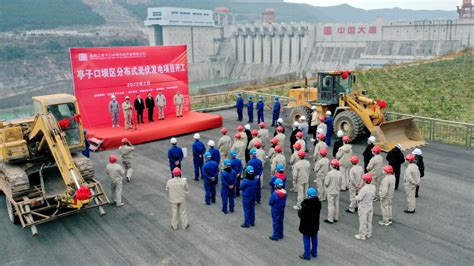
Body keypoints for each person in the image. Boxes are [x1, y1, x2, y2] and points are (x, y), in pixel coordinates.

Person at [298, 187, 321, 260]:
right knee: (314, 238)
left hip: (306, 226)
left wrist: (299, 211)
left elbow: (301, 215)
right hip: (315, 225)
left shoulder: (305, 205)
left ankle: (306, 255)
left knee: (306, 239)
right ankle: (314, 252)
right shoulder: (318, 203)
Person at [354, 173, 376, 240]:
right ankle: (368, 233)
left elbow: (359, 198)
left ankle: (362, 235)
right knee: (369, 221)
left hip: (363, 207)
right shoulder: (373, 187)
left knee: (363, 222)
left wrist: (355, 196)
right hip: (370, 205)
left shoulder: (364, 189)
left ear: (364, 180)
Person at [324, 159, 342, 224]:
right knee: (336, 204)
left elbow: (326, 183)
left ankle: (330, 219)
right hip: (337, 190)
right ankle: (335, 218)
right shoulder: (340, 173)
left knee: (331, 205)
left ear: (332, 165)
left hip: (330, 191)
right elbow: (340, 182)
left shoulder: (329, 174)